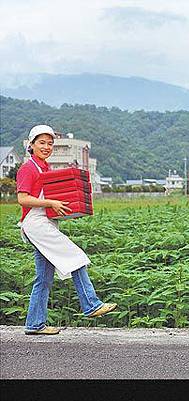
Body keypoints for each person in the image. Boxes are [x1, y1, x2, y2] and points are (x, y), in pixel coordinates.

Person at [16, 125, 117, 335]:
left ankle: (35, 324)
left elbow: (50, 200)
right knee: (76, 257)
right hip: (36, 223)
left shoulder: (44, 168)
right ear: (31, 145)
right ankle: (91, 305)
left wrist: (63, 208)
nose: (46, 147)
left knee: (43, 278)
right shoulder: (28, 168)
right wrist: (51, 202)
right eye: (41, 143)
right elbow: (22, 199)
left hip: (44, 222)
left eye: (50, 143)